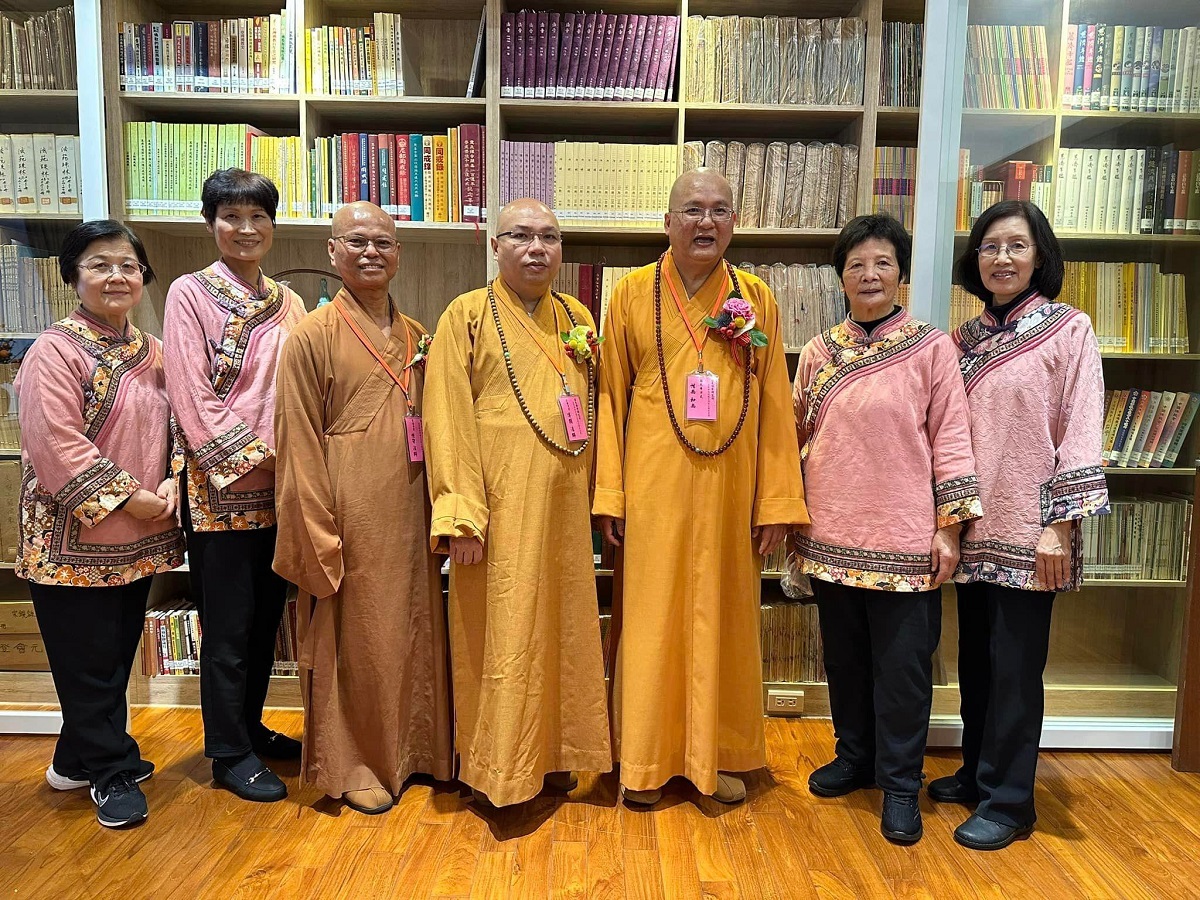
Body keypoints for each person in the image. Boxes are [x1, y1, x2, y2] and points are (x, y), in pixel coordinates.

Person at [593, 168, 808, 807]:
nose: (705, 222)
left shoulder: (755, 298)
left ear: (734, 223)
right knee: (652, 620)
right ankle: (645, 762)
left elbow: (775, 405)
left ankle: (711, 758)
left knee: (723, 619)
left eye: (719, 210)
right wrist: (611, 495)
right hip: (653, 491)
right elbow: (608, 400)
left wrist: (776, 502)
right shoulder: (632, 293)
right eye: (691, 209)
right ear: (667, 222)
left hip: (729, 494)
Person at [792, 214, 983, 844]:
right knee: (844, 661)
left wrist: (949, 529)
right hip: (830, 534)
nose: (869, 274)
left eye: (882, 263)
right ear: (841, 277)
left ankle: (900, 784)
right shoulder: (819, 352)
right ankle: (856, 758)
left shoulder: (932, 348)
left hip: (905, 540)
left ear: (900, 272)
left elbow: (952, 439)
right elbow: (796, 438)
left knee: (902, 673)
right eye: (856, 264)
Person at [424, 199, 611, 807]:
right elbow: (446, 417)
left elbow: (596, 410)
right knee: (502, 636)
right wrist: (460, 513)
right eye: (521, 236)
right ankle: (499, 768)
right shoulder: (466, 314)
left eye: (549, 237)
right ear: (495, 245)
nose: (537, 248)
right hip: (497, 511)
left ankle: (555, 753)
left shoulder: (577, 316)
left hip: (563, 508)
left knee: (562, 630)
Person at [934, 200, 1109, 850]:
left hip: (1033, 533)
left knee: (1014, 669)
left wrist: (1059, 526)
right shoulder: (961, 341)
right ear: (975, 259)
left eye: (1016, 245)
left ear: (1040, 256)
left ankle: (1011, 803)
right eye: (989, 246)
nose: (1001, 258)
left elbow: (1081, 427)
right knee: (976, 662)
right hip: (974, 527)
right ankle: (979, 774)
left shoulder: (1069, 330)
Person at [273, 201, 454, 815]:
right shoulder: (311, 336)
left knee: (412, 629)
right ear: (332, 252)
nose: (371, 252)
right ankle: (352, 763)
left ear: (399, 253)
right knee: (357, 639)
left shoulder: (418, 335)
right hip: (348, 516)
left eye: (383, 242)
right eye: (356, 241)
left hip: (411, 510)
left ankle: (417, 750)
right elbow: (297, 443)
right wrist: (316, 531)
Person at [15, 220, 184, 827]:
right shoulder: (53, 350)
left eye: (127, 266)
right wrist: (130, 497)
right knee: (84, 662)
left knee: (112, 657)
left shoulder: (154, 351)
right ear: (72, 277)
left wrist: (173, 480)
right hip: (71, 542)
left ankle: (72, 762)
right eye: (98, 265)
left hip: (139, 537)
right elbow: (55, 443)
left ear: (143, 277)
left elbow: (179, 425)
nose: (116, 276)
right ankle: (112, 771)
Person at [163, 169, 306, 802]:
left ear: (272, 225)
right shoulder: (188, 293)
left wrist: (299, 464)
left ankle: (249, 729)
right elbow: (189, 392)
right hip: (220, 490)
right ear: (210, 223)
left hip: (283, 489)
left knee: (266, 621)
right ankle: (226, 752)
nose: (246, 229)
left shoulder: (289, 301)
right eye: (231, 217)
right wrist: (258, 460)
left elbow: (305, 384)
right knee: (226, 629)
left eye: (257, 217)